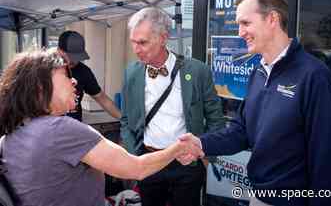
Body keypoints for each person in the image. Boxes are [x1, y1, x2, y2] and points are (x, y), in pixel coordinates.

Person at [179, 0, 331, 206]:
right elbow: (241, 132)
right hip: (257, 197)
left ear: (272, 19)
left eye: (246, 23)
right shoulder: (259, 72)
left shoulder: (315, 77)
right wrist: (200, 143)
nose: (239, 32)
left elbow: (327, 161)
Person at [0, 50, 197, 206]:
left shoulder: (10, 136)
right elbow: (136, 168)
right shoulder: (59, 130)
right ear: (40, 88)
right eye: (66, 75)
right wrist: (179, 148)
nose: (74, 81)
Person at [120, 7, 225, 206]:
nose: (136, 49)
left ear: (163, 38)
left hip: (187, 164)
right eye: (133, 42)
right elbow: (126, 119)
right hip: (149, 161)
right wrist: (134, 157)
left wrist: (205, 156)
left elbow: (215, 117)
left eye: (142, 42)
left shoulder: (197, 70)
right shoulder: (131, 72)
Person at [57, 30, 121, 121]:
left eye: (77, 57)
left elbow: (102, 98)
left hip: (75, 127)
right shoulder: (45, 70)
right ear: (59, 50)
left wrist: (124, 120)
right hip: (50, 129)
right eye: (70, 56)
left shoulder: (84, 71)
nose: (74, 61)